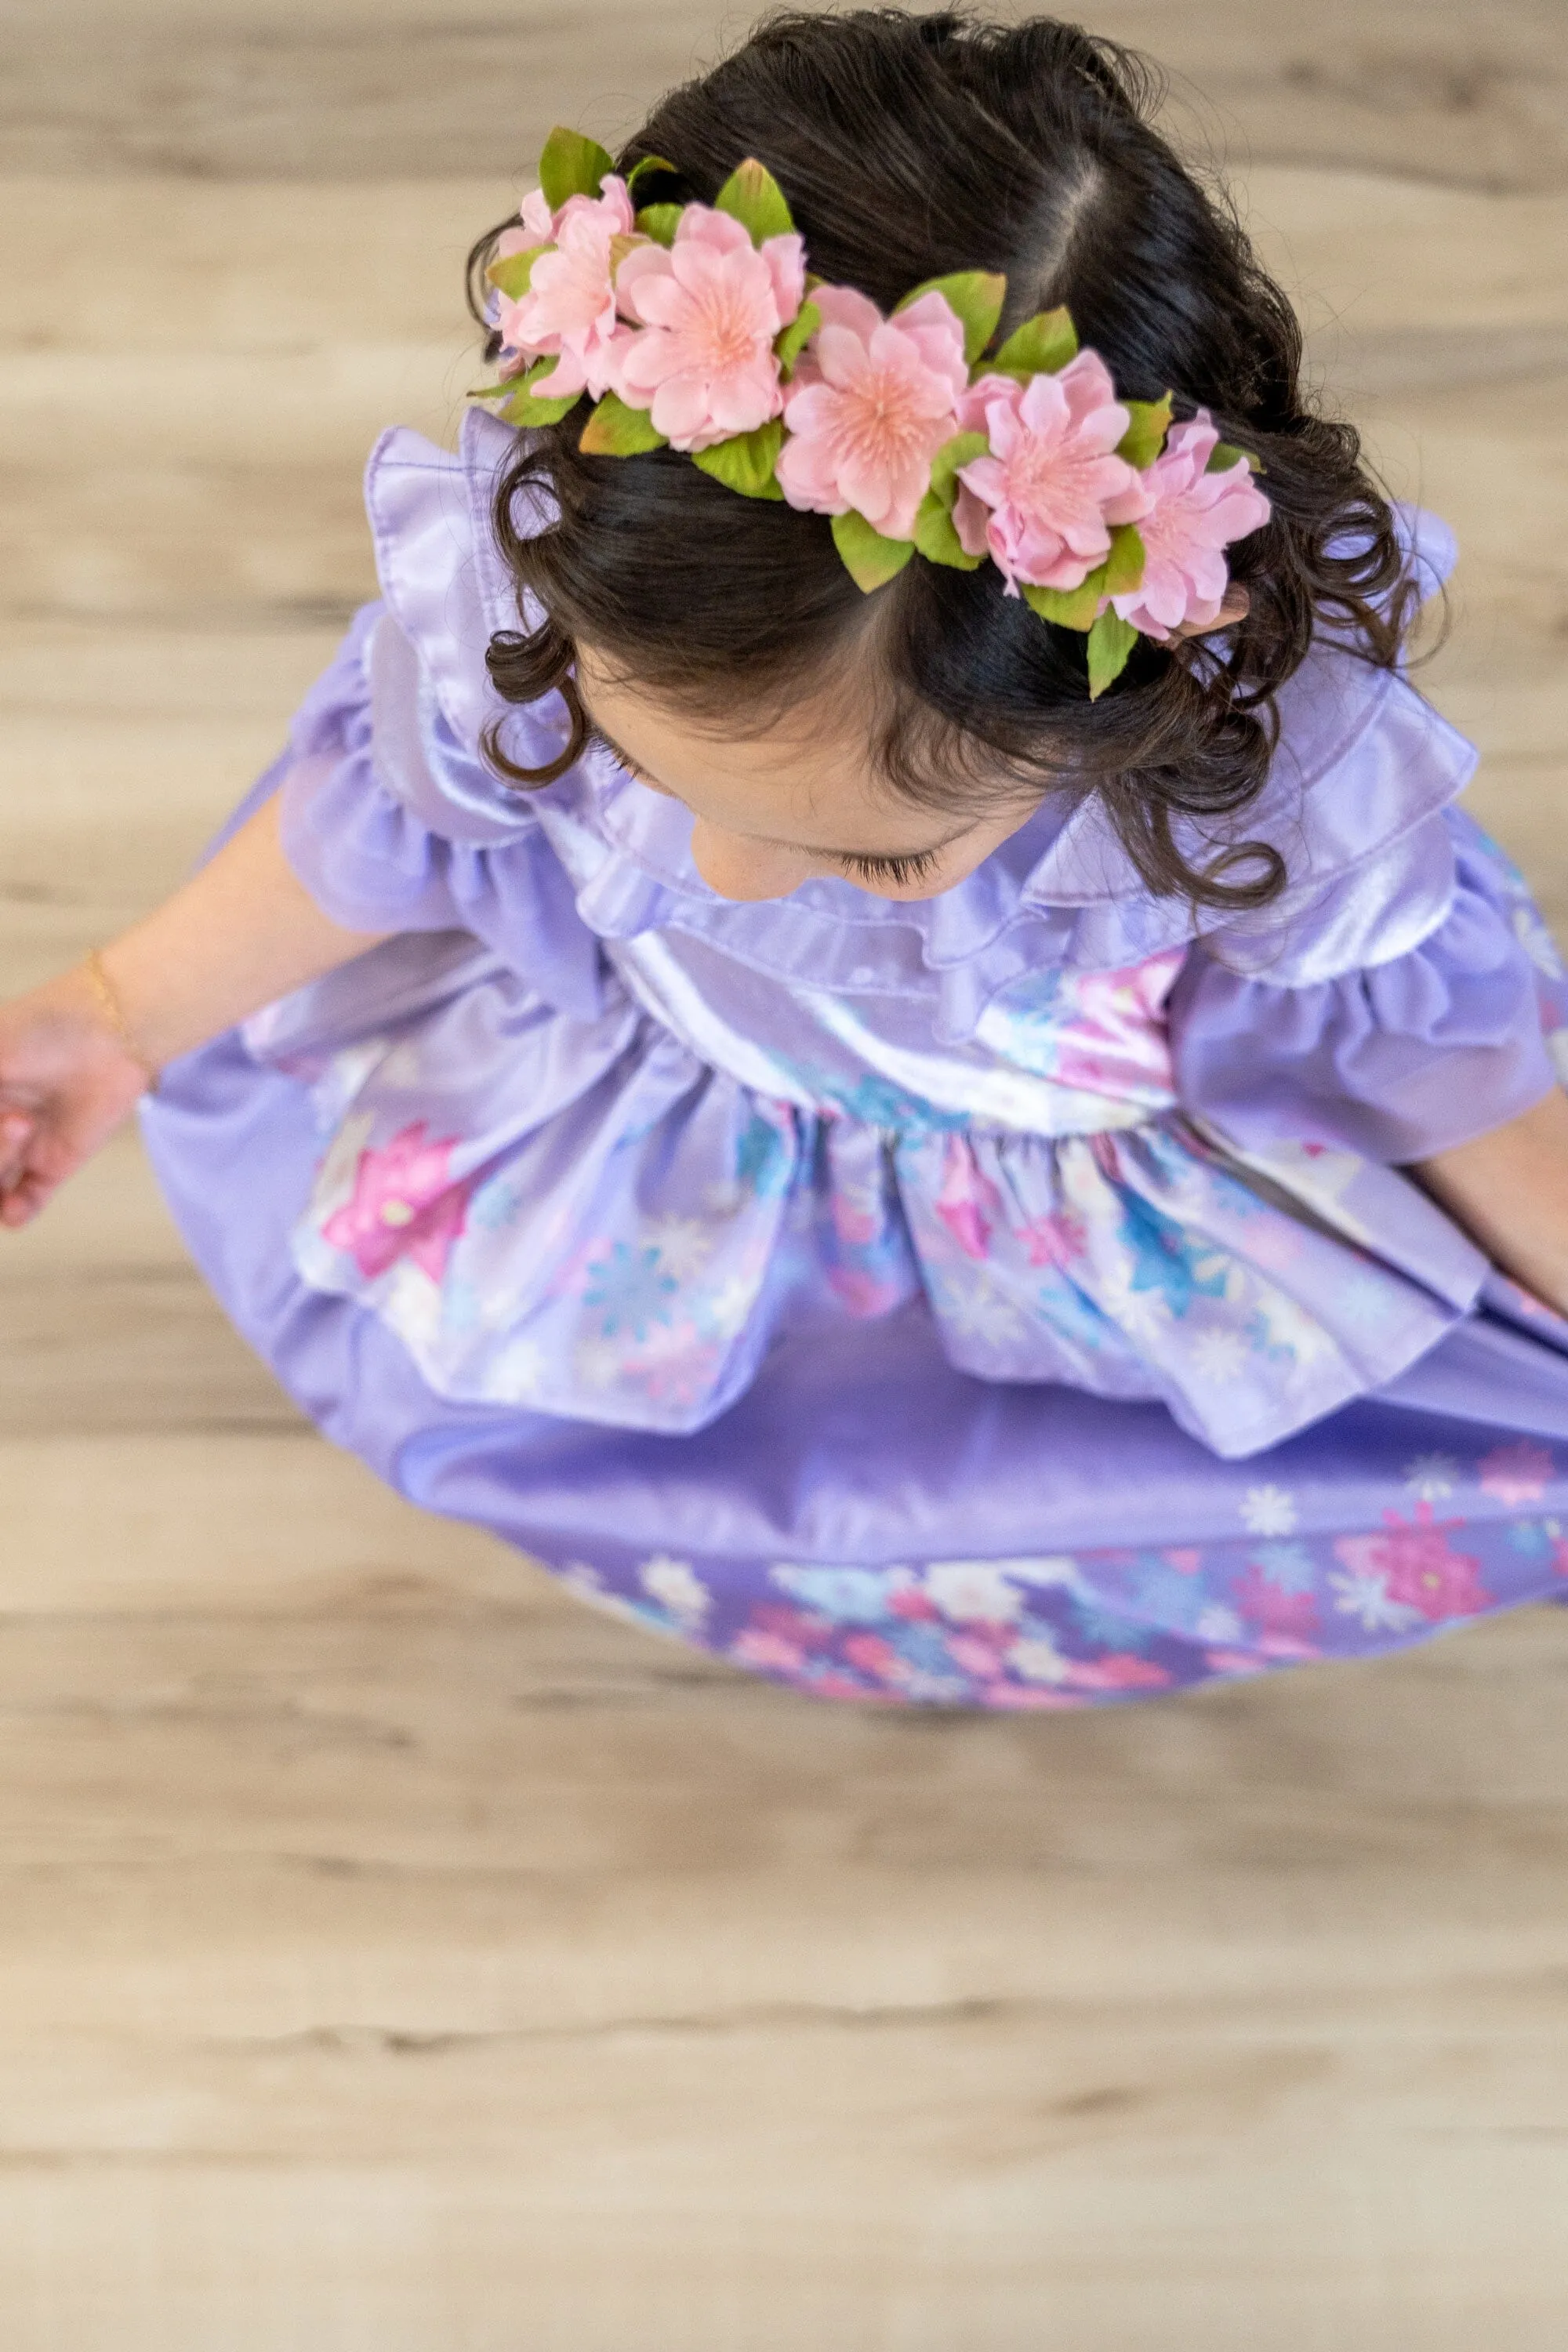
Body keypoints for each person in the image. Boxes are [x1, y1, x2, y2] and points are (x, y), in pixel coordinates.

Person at [6, 10, 1568, 1709]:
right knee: (675, 1472)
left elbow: (1450, 1083)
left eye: (874, 863)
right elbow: (393, 827)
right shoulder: (544, 623)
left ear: (1129, 719)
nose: (722, 883)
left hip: (1050, 1255)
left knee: (998, 1510)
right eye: (637, 768)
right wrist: (117, 1008)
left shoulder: (1215, 830)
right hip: (674, 1157)